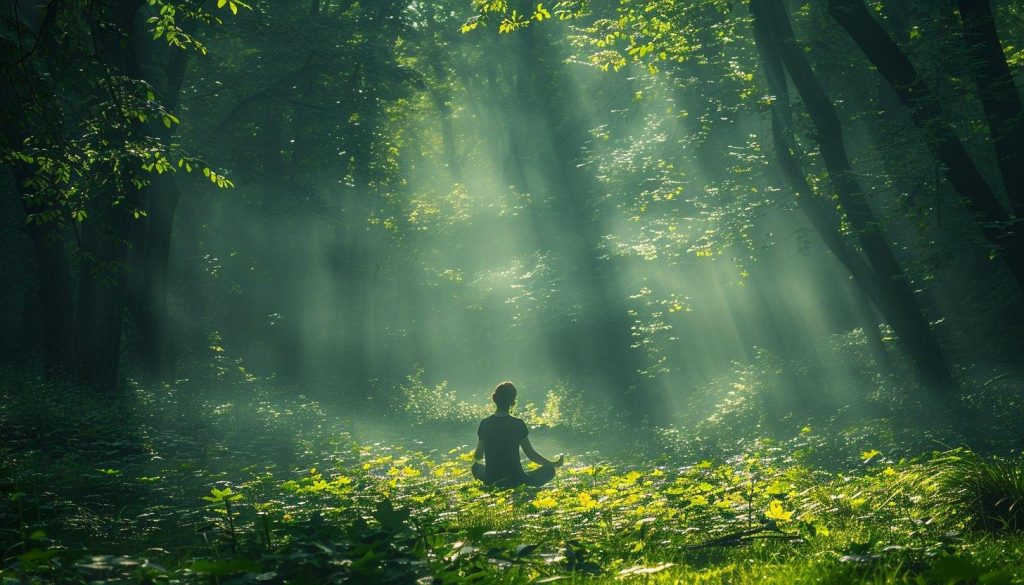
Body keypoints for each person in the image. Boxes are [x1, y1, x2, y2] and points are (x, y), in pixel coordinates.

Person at [472, 381, 563, 488]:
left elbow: (478, 455)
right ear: (512, 402)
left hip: (491, 478)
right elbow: (531, 455)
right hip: (516, 479)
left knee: (475, 467)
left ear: (494, 399)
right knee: (549, 470)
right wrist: (553, 464)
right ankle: (507, 481)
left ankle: (498, 482)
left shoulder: (485, 423)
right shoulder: (518, 424)